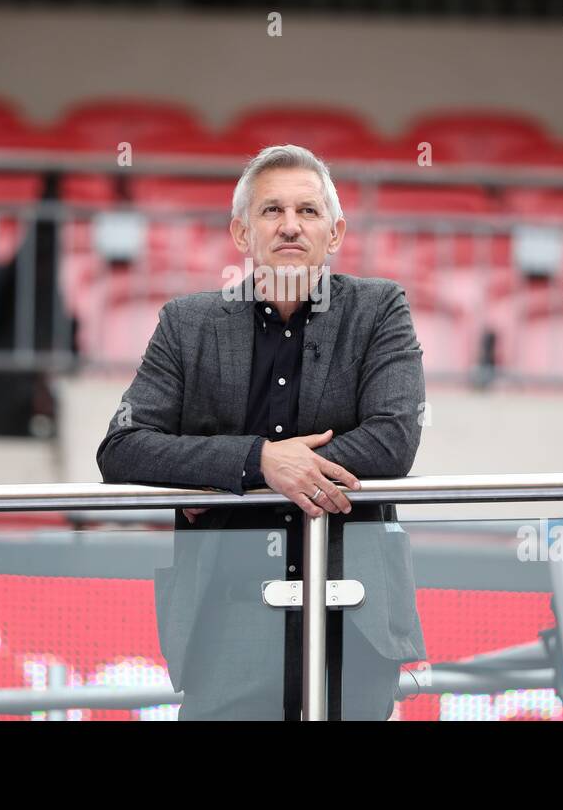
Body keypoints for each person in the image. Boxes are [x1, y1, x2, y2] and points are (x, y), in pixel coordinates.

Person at [96, 143, 427, 720]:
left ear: (336, 232)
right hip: (228, 620)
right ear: (242, 234)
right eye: (271, 211)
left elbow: (394, 440)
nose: (291, 227)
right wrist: (258, 461)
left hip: (354, 614)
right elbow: (122, 448)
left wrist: (232, 475)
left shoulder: (379, 309)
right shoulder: (187, 323)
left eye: (308, 212)